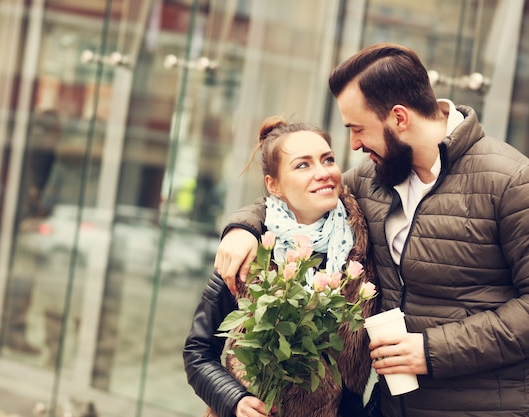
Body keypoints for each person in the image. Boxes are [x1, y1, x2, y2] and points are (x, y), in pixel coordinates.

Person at [214, 42, 529, 417]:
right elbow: (301, 197)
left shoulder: (511, 180)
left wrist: (431, 350)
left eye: (357, 128)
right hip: (391, 406)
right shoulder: (374, 176)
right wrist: (244, 227)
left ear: (399, 118)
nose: (354, 144)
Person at [183, 116, 378, 417]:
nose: (323, 173)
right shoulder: (250, 251)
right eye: (303, 165)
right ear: (273, 185)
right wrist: (234, 400)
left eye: (328, 160)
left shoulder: (363, 249)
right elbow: (197, 352)